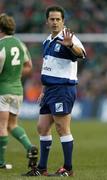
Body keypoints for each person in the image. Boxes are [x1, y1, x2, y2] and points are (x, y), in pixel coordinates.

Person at [24, 5, 86, 176]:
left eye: (58, 19)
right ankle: (42, 169)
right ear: (47, 21)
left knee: (61, 128)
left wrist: (71, 45)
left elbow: (81, 54)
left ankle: (68, 167)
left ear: (63, 21)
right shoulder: (47, 41)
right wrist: (43, 90)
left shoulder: (68, 37)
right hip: (49, 90)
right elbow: (47, 67)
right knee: (42, 127)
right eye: (52, 19)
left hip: (63, 89)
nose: (55, 22)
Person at [0, 13, 38, 169]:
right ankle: (29, 147)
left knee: (1, 125)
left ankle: (1, 163)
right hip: (17, 90)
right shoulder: (20, 44)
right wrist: (15, 74)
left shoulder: (1, 45)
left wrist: (7, 75)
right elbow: (29, 66)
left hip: (3, 90)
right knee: (12, 125)